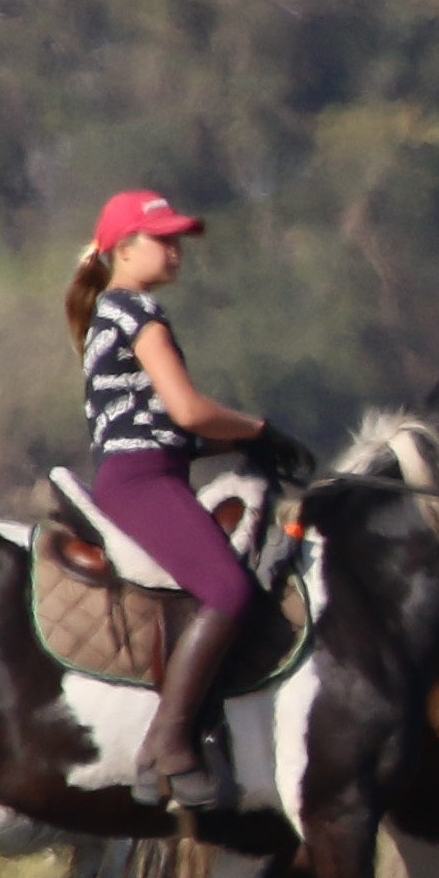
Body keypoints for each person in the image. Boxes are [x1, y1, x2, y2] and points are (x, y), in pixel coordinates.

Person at [64, 188, 271, 810]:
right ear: (124, 249)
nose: (177, 250)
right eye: (165, 239)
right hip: (142, 482)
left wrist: (221, 448)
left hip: (143, 470)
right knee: (232, 590)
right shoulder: (138, 314)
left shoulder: (108, 313)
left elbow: (161, 426)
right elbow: (187, 409)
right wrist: (260, 429)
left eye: (179, 239)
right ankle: (172, 742)